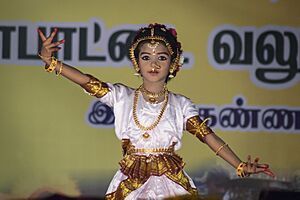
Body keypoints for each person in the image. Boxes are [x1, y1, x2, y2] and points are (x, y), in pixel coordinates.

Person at [38, 23, 275, 199]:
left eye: (161, 57)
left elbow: (208, 136)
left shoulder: (181, 104)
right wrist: (51, 61)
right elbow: (87, 81)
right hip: (131, 182)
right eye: (146, 57)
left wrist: (239, 165)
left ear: (172, 64)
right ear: (137, 63)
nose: (154, 64)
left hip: (170, 183)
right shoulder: (122, 96)